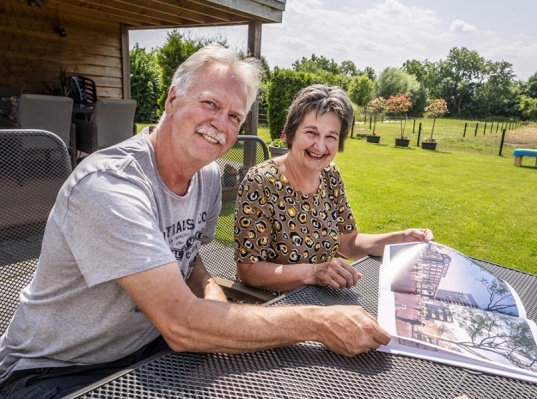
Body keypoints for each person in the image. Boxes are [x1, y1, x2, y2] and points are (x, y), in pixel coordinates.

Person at [0, 46, 390, 399]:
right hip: (52, 372)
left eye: (234, 115)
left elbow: (189, 257)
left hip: (147, 352)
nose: (220, 123)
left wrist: (210, 293)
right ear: (172, 99)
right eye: (209, 103)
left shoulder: (206, 176)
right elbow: (181, 324)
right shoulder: (109, 185)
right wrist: (320, 323)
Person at [234, 84, 434, 292]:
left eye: (331, 137)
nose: (320, 146)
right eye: (311, 133)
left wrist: (401, 239)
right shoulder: (261, 181)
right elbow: (249, 270)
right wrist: (313, 273)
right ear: (291, 133)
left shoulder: (330, 175)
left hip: (321, 299)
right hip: (269, 304)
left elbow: (349, 243)